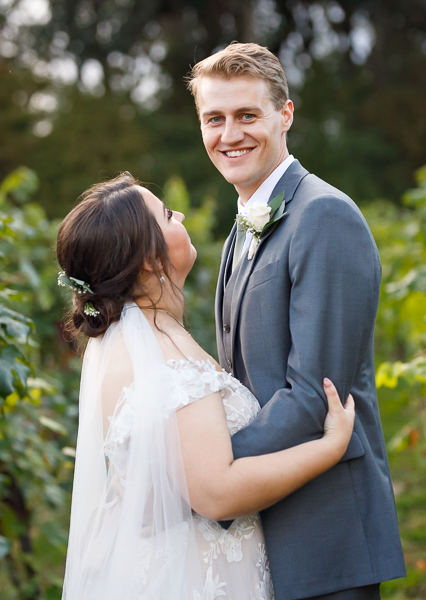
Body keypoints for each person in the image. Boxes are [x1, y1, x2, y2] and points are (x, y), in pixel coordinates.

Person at [56, 172, 357, 599]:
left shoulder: (128, 338)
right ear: (147, 258)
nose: (178, 213)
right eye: (166, 214)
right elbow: (217, 492)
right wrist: (328, 448)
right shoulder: (162, 355)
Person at [187, 42, 405, 599]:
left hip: (326, 537)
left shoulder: (324, 214)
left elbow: (314, 394)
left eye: (246, 115)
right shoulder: (244, 224)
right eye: (215, 118)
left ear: (285, 115)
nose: (229, 134)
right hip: (267, 527)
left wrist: (205, 477)